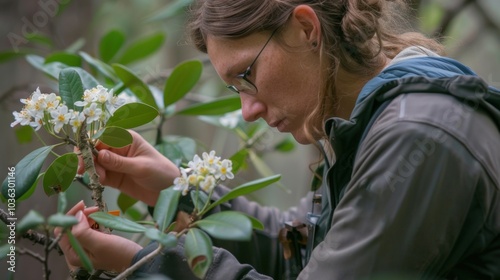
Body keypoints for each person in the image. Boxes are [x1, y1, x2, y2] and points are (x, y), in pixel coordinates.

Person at [56, 0, 500, 279]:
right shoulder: (377, 121)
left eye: (246, 75)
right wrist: (179, 192)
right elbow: (300, 254)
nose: (248, 110)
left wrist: (147, 264)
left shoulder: (418, 136)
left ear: (306, 28)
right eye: (235, 90)